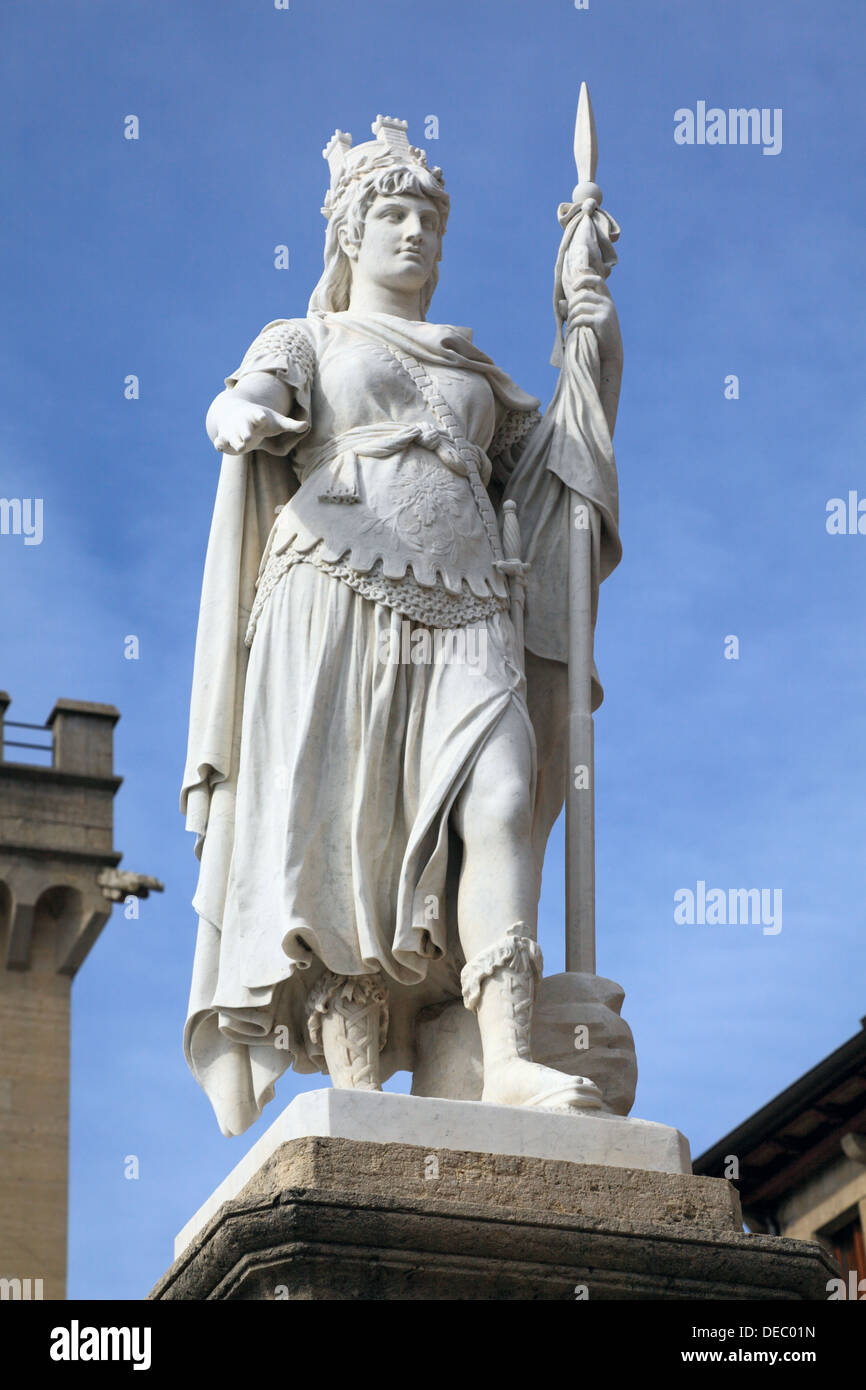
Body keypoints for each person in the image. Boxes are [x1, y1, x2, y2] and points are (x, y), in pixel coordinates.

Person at [181, 117, 623, 1137]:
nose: (413, 233)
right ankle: (355, 1083)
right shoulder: (307, 339)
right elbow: (251, 397)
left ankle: (507, 1055)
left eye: (427, 216)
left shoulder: (473, 374)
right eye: (390, 213)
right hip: (335, 594)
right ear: (347, 233)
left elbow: (556, 467)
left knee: (504, 797)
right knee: (348, 837)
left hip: (472, 603)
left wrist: (587, 333)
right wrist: (239, 414)